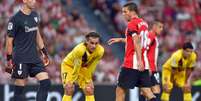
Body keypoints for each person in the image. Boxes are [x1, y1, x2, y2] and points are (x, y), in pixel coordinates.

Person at [108, 2, 156, 101]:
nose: (123, 14)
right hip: (144, 63)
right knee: (147, 92)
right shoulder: (143, 23)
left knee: (120, 90)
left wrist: (139, 60)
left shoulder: (132, 24)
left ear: (132, 12)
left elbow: (137, 41)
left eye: (125, 12)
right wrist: (121, 39)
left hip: (132, 63)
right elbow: (139, 40)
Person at [5, 0, 51, 101]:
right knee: (20, 90)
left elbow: (37, 34)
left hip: (34, 57)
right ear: (24, 1)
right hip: (21, 58)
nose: (34, 2)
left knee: (46, 82)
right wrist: (9, 59)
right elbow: (9, 42)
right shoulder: (15, 19)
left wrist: (44, 52)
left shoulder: (35, 15)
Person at [61, 32, 104, 101]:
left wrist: (88, 79)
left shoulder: (100, 51)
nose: (94, 46)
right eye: (92, 43)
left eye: (96, 43)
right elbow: (77, 66)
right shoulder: (80, 50)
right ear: (86, 41)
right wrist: (72, 81)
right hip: (69, 66)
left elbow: (92, 66)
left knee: (89, 89)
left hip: (83, 68)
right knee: (69, 88)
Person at [139, 21, 164, 101]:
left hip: (150, 67)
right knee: (155, 90)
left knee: (145, 91)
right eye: (160, 27)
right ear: (154, 27)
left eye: (162, 27)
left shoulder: (152, 36)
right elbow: (144, 49)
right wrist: (148, 67)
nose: (161, 29)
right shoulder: (151, 35)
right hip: (150, 68)